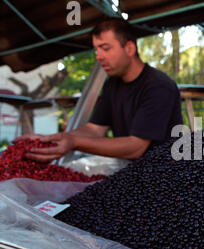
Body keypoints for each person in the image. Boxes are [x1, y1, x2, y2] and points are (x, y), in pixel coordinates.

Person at [15, 18, 183, 162]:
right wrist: (53, 140)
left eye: (105, 48)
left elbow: (135, 147)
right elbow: (95, 129)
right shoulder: (112, 84)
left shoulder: (158, 86)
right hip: (131, 173)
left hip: (163, 177)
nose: (98, 56)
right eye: (97, 49)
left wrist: (74, 142)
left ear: (130, 48)